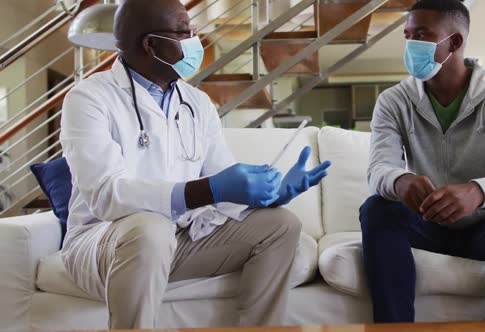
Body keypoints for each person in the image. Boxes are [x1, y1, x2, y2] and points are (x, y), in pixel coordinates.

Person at [59, 0, 331, 329]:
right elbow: (106, 195)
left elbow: (223, 181)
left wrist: (271, 193)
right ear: (151, 44)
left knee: (281, 225)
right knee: (151, 229)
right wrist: (208, 189)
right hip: (102, 242)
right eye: (184, 31)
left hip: (178, 238)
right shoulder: (89, 98)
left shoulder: (197, 102)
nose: (194, 40)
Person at [360, 0, 485, 323]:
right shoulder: (393, 101)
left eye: (422, 35)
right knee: (376, 209)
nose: (411, 44)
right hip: (427, 226)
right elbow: (378, 170)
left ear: (454, 42)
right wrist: (400, 181)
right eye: (408, 35)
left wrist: (479, 192)